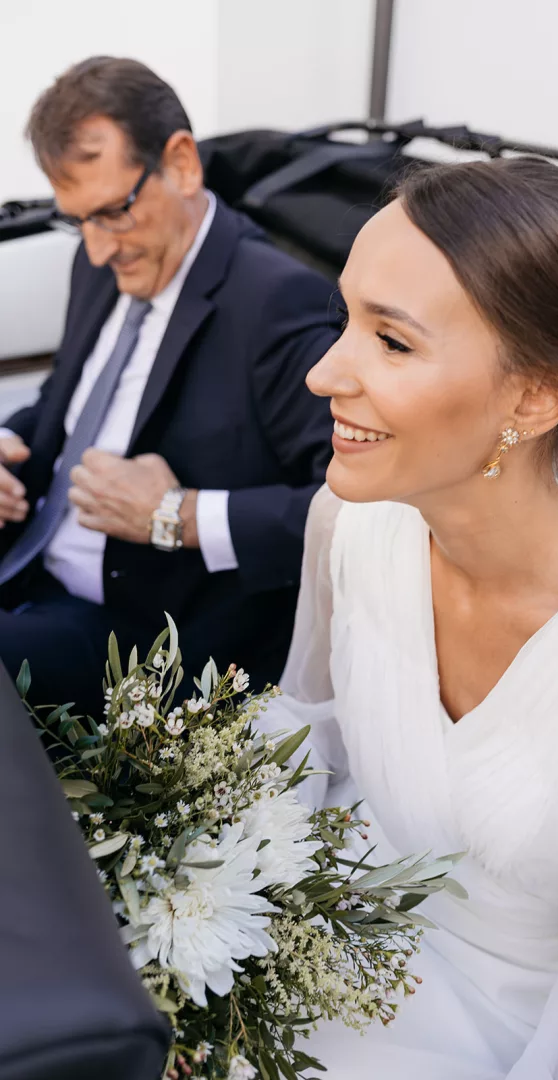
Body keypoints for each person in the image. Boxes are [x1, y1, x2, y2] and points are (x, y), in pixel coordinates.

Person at [259, 157, 558, 1078]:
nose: (322, 374)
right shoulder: (347, 523)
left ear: (537, 397)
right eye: (344, 316)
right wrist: (216, 928)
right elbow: (301, 742)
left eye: (391, 342)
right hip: (326, 947)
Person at [0, 57, 339, 712]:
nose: (97, 247)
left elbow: (358, 511)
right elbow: (64, 405)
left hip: (138, 633)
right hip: (30, 560)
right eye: (78, 221)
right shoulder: (102, 260)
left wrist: (179, 517)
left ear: (182, 162)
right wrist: (9, 446)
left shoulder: (277, 301)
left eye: (114, 212)